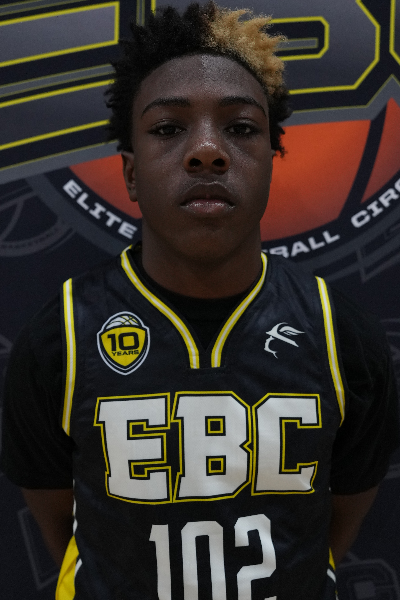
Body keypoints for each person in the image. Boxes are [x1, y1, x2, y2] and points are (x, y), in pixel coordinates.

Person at [1, 3, 399, 599]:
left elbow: (336, 521)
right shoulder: (60, 334)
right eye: (168, 129)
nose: (207, 151)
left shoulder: (342, 335)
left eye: (241, 129)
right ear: (130, 175)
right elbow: (58, 513)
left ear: (271, 162)